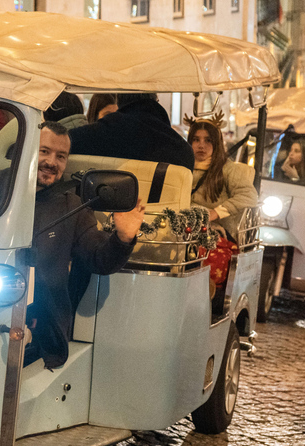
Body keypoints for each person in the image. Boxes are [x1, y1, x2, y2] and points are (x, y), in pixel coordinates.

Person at [25, 121, 144, 368]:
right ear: (25, 148)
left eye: (61, 156)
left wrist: (123, 237)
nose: (52, 162)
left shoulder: (72, 206)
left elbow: (99, 258)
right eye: (44, 151)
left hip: (41, 331)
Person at [69, 93, 194, 170]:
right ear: (155, 100)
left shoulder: (97, 135)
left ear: (120, 101)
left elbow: (64, 143)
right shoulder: (185, 152)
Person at [188, 120, 257, 241]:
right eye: (196, 139)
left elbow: (248, 195)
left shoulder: (228, 169)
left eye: (208, 140)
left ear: (217, 143)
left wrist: (217, 212)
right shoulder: (183, 168)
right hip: (185, 230)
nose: (201, 145)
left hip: (219, 234)